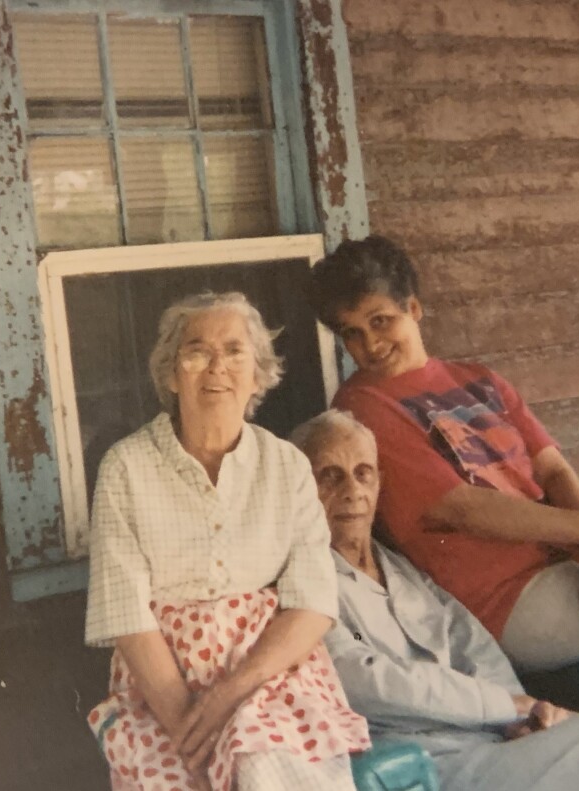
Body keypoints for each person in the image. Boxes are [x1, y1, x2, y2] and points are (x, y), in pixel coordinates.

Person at [308, 235, 579, 727]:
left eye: (380, 321)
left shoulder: (475, 379)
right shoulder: (365, 405)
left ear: (413, 308)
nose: (369, 345)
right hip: (499, 599)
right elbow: (460, 506)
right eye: (351, 334)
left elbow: (553, 470)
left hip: (562, 569)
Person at [291, 409, 579, 791]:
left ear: (378, 484)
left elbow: (471, 642)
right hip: (438, 766)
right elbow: (372, 682)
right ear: (300, 487)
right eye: (329, 476)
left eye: (363, 473)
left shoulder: (401, 571)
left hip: (502, 748)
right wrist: (509, 707)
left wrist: (523, 713)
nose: (352, 490)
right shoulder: (304, 581)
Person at [84, 292, 369, 791]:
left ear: (258, 373)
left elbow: (313, 602)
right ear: (172, 375)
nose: (217, 367)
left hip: (268, 675)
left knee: (268, 770)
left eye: (235, 352)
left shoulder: (286, 466)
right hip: (162, 687)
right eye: (197, 352)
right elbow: (124, 611)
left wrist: (228, 695)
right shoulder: (126, 467)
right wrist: (188, 729)